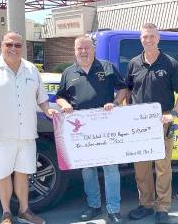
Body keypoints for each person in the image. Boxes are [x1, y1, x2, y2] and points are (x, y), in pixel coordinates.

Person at [0, 32, 56, 224]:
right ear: (1, 45)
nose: (13, 48)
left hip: (26, 134)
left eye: (17, 45)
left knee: (23, 173)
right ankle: (6, 213)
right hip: (0, 136)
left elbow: (41, 98)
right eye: (9, 44)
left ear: (23, 47)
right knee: (2, 175)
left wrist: (48, 110)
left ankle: (24, 211)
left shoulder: (31, 70)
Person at [56, 35, 127, 224]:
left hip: (106, 127)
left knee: (111, 168)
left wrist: (115, 102)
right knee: (88, 170)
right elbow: (60, 96)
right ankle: (94, 206)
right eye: (80, 48)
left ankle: (114, 210)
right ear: (75, 50)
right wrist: (64, 105)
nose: (83, 51)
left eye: (87, 47)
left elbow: (123, 88)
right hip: (81, 130)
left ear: (93, 49)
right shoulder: (68, 72)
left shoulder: (107, 67)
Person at [126, 23, 178, 224]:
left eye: (152, 36)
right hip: (139, 123)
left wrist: (174, 113)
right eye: (145, 37)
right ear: (141, 39)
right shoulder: (134, 63)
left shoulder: (170, 63)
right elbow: (127, 91)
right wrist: (127, 114)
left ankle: (162, 207)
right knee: (141, 167)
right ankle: (145, 205)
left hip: (162, 121)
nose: (148, 40)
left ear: (158, 39)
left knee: (162, 167)